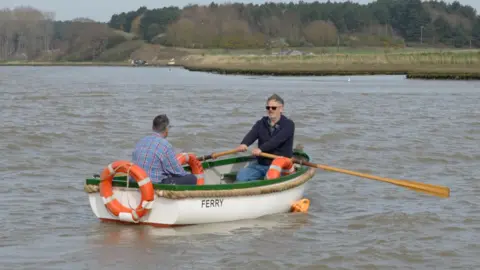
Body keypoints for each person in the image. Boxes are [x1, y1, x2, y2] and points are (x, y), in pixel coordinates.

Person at [235, 94, 295, 182]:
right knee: (241, 177)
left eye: (273, 107)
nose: (270, 110)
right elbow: (252, 134)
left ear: (281, 108)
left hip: (280, 165)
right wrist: (244, 144)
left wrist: (261, 149)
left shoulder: (289, 124)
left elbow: (276, 141)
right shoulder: (261, 123)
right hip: (261, 163)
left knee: (271, 180)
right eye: (268, 107)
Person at [131, 114, 197, 185]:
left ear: (153, 127)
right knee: (192, 178)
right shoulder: (165, 145)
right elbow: (178, 172)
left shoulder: (141, 141)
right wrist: (187, 173)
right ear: (166, 129)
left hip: (135, 180)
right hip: (152, 184)